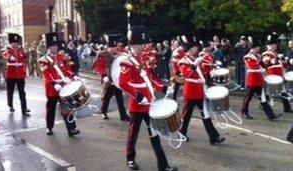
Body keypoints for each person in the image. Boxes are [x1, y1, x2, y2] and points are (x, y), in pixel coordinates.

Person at [119, 26, 177, 171]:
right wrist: (138, 96)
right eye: (139, 44)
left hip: (149, 102)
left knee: (155, 133)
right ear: (132, 44)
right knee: (133, 134)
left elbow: (150, 79)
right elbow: (122, 83)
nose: (142, 47)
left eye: (142, 44)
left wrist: (163, 87)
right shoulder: (127, 61)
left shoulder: (142, 59)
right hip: (137, 104)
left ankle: (163, 166)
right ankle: (130, 158)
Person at [178, 35, 225, 145]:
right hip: (190, 91)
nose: (196, 49)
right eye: (194, 47)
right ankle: (181, 133)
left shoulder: (197, 58)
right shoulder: (183, 60)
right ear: (189, 48)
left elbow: (203, 71)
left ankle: (214, 137)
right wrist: (194, 65)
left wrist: (214, 67)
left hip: (200, 90)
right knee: (186, 115)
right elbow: (186, 74)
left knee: (206, 114)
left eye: (196, 47)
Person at [38, 32, 80, 136]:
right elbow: (46, 74)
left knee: (67, 108)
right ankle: (49, 127)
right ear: (49, 47)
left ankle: (71, 129)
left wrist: (73, 75)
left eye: (56, 45)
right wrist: (53, 83)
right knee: (51, 109)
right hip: (52, 88)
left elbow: (67, 69)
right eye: (52, 46)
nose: (55, 48)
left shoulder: (61, 57)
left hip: (63, 87)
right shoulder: (44, 60)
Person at [241, 36, 281, 121]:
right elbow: (252, 66)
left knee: (263, 98)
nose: (259, 48)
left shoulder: (258, 55)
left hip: (259, 80)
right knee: (248, 98)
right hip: (252, 80)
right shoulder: (247, 57)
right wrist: (263, 61)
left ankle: (270, 115)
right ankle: (244, 112)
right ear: (253, 47)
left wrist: (270, 63)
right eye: (258, 46)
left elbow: (264, 66)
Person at [93, 34, 130, 121]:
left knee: (119, 97)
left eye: (114, 46)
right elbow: (99, 67)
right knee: (106, 97)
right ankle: (103, 112)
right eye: (111, 47)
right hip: (108, 79)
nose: (113, 49)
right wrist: (104, 76)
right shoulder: (102, 54)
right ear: (108, 46)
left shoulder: (119, 54)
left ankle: (123, 115)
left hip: (116, 79)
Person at [262, 33, 293, 113]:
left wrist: (285, 61)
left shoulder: (277, 54)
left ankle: (287, 108)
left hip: (278, 75)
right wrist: (276, 59)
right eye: (271, 45)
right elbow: (267, 62)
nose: (273, 46)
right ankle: (264, 105)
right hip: (271, 75)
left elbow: (285, 65)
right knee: (270, 92)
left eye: (274, 44)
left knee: (283, 92)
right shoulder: (266, 53)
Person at [2, 33, 30, 116]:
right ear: (11, 43)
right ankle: (10, 105)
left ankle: (24, 108)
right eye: (14, 43)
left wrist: (26, 55)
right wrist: (10, 57)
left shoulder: (20, 49)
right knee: (10, 91)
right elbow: (5, 54)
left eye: (16, 43)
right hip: (11, 75)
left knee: (22, 92)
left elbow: (24, 57)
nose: (15, 44)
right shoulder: (7, 49)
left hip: (20, 75)